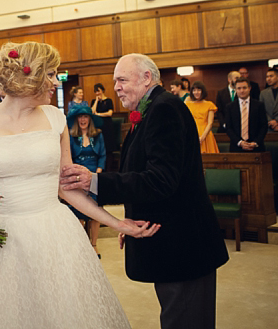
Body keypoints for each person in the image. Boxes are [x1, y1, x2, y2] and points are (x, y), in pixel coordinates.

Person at [0, 42, 159, 329]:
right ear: (30, 77)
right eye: (52, 74)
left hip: (53, 233)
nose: (56, 83)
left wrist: (118, 223)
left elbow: (66, 187)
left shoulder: (55, 118)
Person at [61, 53, 229, 329]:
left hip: (182, 247)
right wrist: (129, 221)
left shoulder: (164, 109)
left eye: (122, 79)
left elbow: (160, 180)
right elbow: (145, 174)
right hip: (169, 242)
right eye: (115, 81)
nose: (116, 87)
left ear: (146, 78)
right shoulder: (153, 109)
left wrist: (94, 181)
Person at [66, 104, 106, 258]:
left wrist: (97, 173)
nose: (83, 119)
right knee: (78, 212)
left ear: (90, 119)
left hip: (95, 174)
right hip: (77, 175)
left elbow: (102, 155)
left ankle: (94, 245)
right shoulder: (71, 136)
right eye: (80, 117)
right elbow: (69, 158)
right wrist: (76, 177)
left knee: (96, 210)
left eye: (86, 116)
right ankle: (82, 245)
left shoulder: (98, 135)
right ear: (77, 119)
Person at [225, 77, 267, 152]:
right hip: (236, 147)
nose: (242, 91)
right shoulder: (230, 107)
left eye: (244, 88)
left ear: (249, 88)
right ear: (235, 90)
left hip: (256, 147)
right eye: (239, 88)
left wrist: (255, 142)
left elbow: (264, 126)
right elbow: (228, 128)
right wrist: (240, 142)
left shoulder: (259, 105)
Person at [185, 81, 220, 153]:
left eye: (198, 90)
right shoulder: (188, 104)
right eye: (194, 90)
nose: (196, 92)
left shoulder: (209, 104)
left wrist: (202, 138)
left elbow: (210, 123)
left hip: (205, 134)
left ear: (202, 91)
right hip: (192, 133)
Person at [91, 83, 115, 172]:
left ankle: (108, 169)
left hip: (107, 126)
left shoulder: (108, 100)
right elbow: (92, 111)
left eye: (98, 91)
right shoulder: (94, 101)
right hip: (97, 126)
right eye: (96, 91)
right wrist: (97, 101)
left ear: (102, 90)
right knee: (100, 147)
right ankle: (100, 168)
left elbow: (110, 113)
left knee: (108, 148)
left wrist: (99, 114)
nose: (97, 93)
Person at [259, 67, 278, 132]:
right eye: (267, 77)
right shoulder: (263, 93)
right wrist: (271, 121)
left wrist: (276, 121)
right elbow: (261, 109)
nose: (268, 79)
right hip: (268, 126)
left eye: (271, 76)